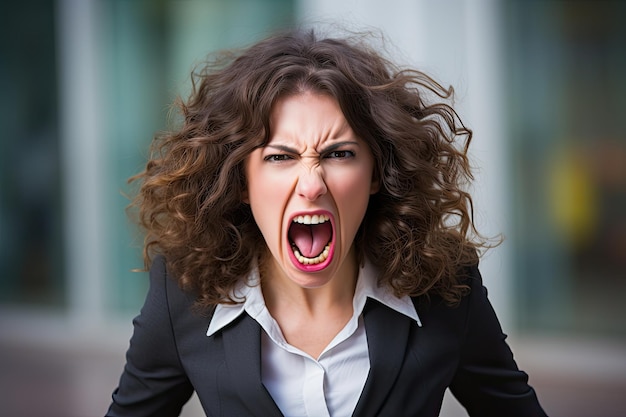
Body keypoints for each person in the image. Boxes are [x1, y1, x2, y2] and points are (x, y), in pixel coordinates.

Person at [106, 28, 547, 417]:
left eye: (339, 154)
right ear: (241, 181)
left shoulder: (446, 289)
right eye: (280, 156)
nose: (312, 184)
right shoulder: (182, 292)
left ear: (376, 173)